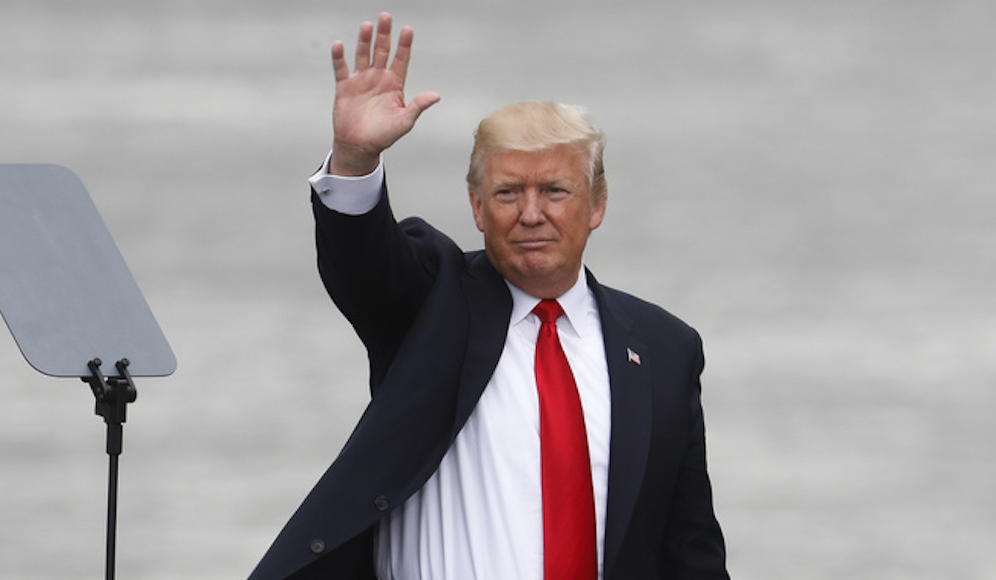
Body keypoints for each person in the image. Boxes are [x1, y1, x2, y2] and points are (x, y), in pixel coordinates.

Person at [250, 13, 728, 580]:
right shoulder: (433, 301)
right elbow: (365, 267)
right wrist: (355, 160)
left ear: (596, 204)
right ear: (477, 207)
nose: (531, 213)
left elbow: (688, 547)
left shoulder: (664, 348)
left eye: (554, 190)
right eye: (507, 192)